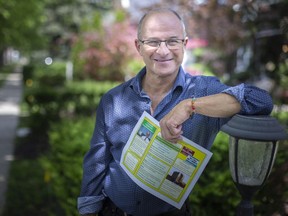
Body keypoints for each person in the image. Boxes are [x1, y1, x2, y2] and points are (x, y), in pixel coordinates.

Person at [78, 8, 273, 216]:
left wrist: (190, 106)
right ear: (138, 46)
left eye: (172, 41)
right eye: (153, 42)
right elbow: (96, 164)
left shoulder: (203, 91)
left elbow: (261, 100)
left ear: (185, 44)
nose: (163, 51)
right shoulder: (113, 100)